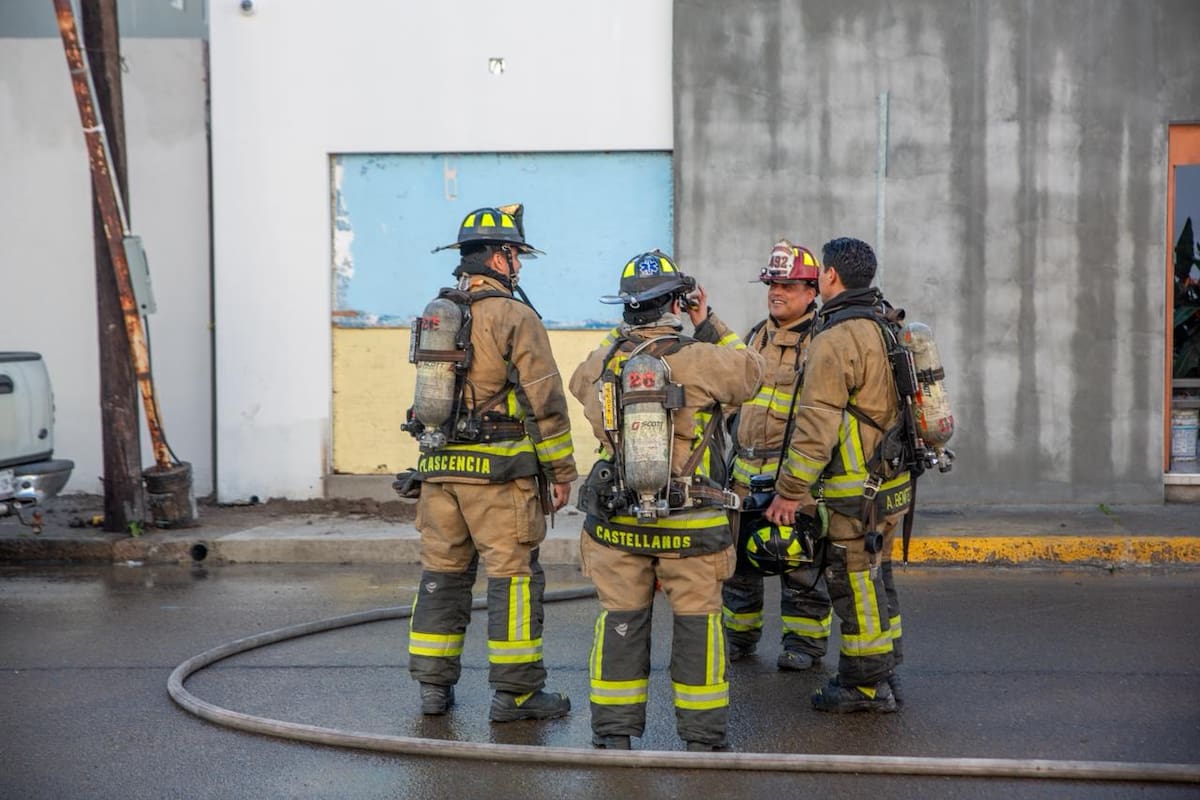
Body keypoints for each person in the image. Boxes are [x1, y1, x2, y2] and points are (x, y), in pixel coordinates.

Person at [570, 250, 765, 752]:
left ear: (627, 307)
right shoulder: (701, 359)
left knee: (620, 619)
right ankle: (701, 737)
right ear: (676, 302)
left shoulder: (606, 361)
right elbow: (752, 371)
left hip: (619, 522)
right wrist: (709, 323)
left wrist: (622, 336)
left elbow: (576, 381)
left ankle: (613, 734)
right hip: (692, 523)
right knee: (699, 622)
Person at [406, 205, 578, 722]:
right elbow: (544, 400)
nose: (519, 267)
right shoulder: (515, 316)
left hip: (439, 473)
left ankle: (433, 690)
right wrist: (562, 472)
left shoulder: (439, 310)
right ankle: (517, 695)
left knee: (442, 576)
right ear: (501, 257)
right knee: (514, 580)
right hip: (499, 478)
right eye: (516, 256)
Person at [764, 236, 911, 713]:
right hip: (890, 482)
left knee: (854, 584)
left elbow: (816, 425)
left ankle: (865, 687)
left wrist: (790, 491)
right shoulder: (883, 323)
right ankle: (886, 669)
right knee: (878, 577)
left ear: (829, 277)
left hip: (854, 490)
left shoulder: (835, 338)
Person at [722, 241, 832, 671]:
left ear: (811, 291)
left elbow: (819, 419)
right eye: (772, 283)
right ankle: (739, 638)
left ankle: (803, 645)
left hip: (793, 480)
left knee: (798, 562)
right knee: (739, 567)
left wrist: (798, 484)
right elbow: (734, 378)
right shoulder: (756, 335)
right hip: (745, 476)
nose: (776, 291)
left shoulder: (820, 343)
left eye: (787, 284)